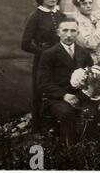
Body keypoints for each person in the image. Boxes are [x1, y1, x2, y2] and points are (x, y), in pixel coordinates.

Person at [37, 18, 93, 147]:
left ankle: (91, 150)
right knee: (66, 113)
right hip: (57, 98)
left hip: (80, 95)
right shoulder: (49, 54)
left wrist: (81, 96)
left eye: (73, 30)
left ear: (78, 32)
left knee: (92, 111)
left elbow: (91, 77)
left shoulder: (84, 53)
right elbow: (43, 82)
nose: (69, 34)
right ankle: (69, 150)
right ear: (58, 32)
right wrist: (64, 95)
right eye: (65, 30)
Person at [21, 0, 66, 132]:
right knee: (40, 95)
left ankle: (57, 129)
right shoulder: (36, 16)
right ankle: (38, 132)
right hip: (43, 62)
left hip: (61, 63)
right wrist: (45, 53)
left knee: (60, 92)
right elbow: (25, 44)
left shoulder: (61, 15)